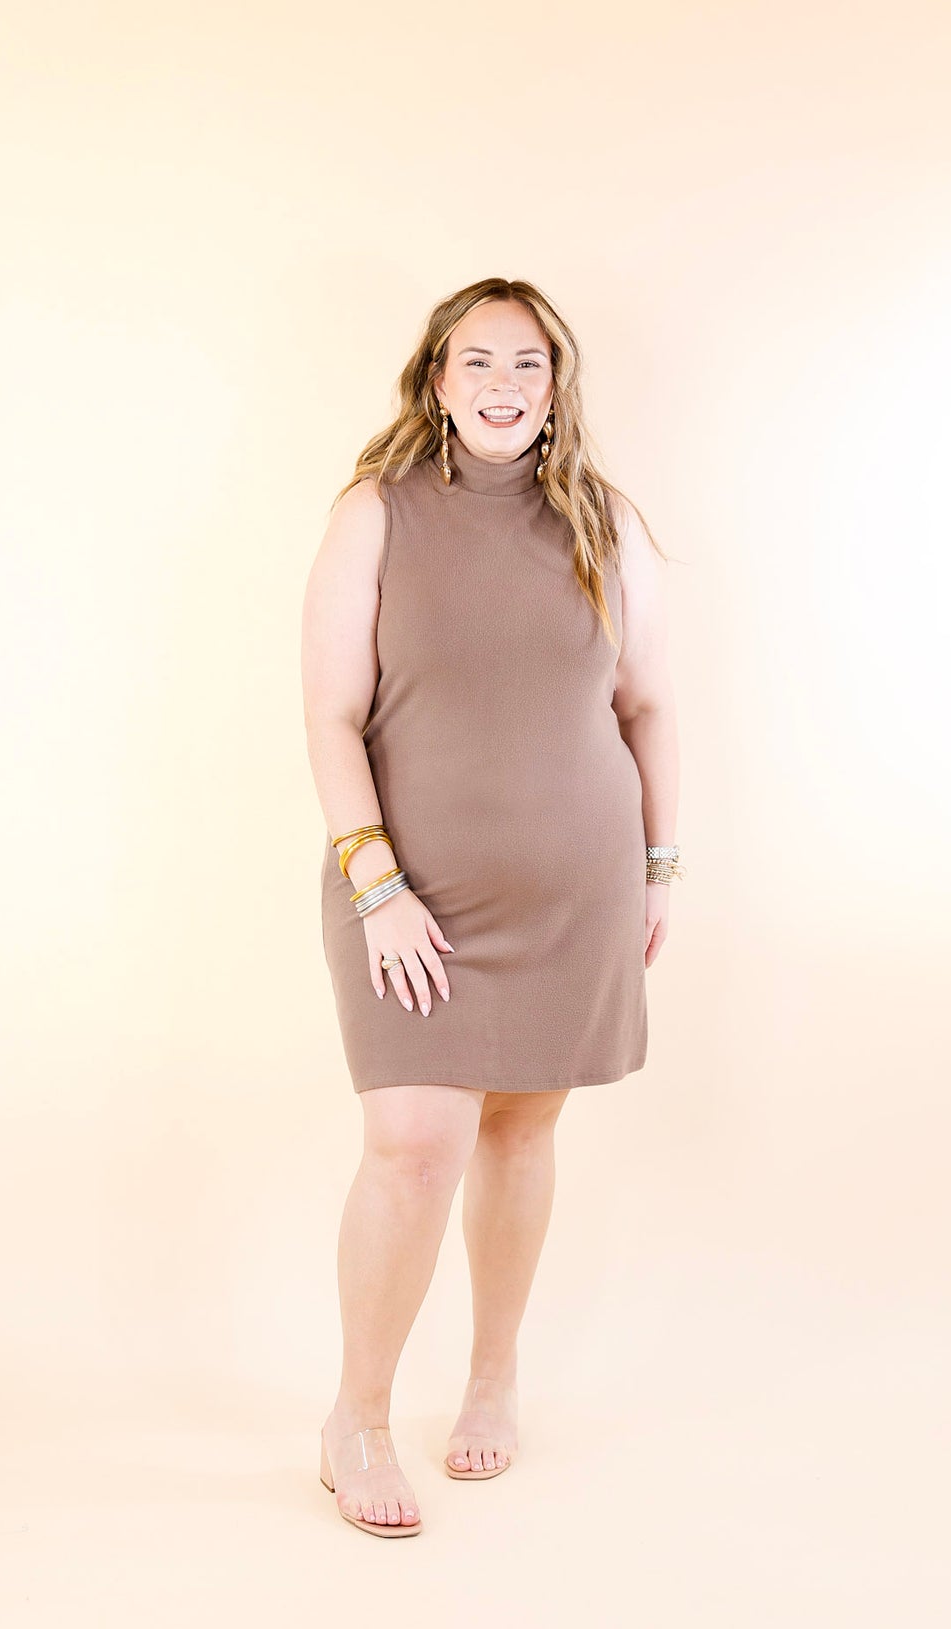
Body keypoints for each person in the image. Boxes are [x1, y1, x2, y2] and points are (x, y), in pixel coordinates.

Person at [300, 275, 682, 1538]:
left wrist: (660, 868)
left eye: (528, 363)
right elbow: (331, 715)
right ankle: (357, 1418)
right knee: (413, 1145)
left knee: (520, 1132)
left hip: (575, 890)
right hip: (409, 893)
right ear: (437, 378)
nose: (503, 385)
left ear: (556, 385)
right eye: (478, 361)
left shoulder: (608, 524)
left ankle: (492, 1379)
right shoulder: (375, 513)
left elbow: (648, 708)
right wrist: (376, 883)